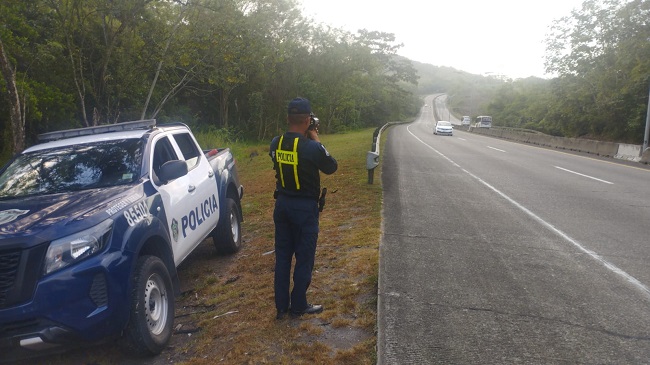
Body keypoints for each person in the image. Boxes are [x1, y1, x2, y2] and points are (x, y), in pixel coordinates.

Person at [269, 97, 338, 319]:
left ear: (288, 119)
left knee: (282, 257)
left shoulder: (275, 143)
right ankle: (298, 305)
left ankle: (281, 306)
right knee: (304, 257)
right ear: (308, 120)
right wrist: (316, 139)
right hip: (304, 209)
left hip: (282, 205)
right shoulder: (312, 148)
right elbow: (331, 167)